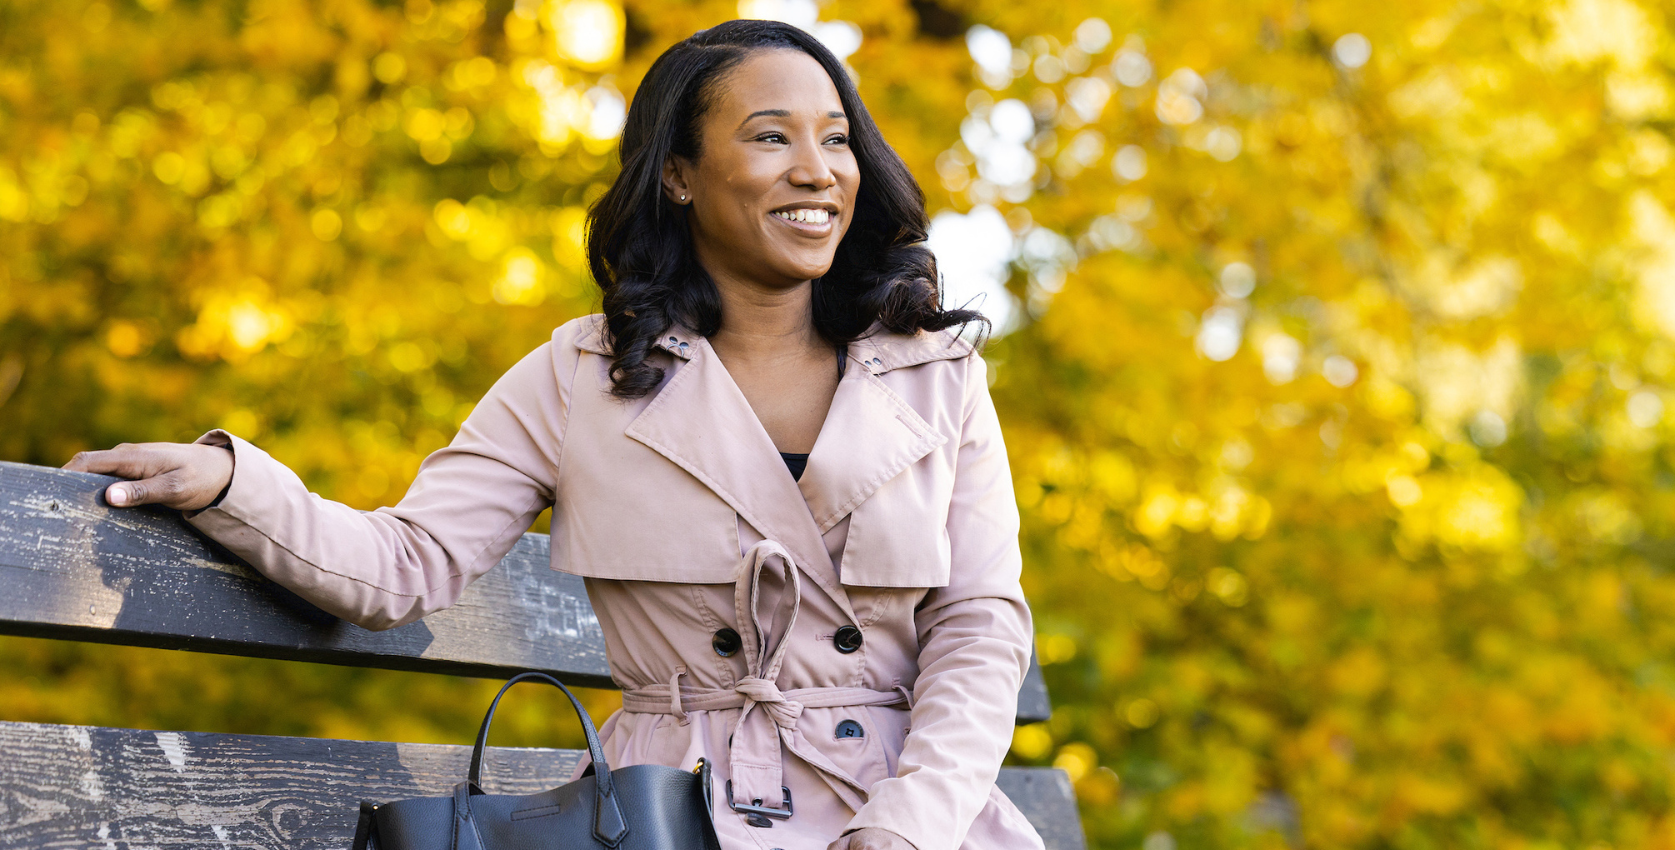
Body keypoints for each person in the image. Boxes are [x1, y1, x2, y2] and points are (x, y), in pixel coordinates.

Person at [63, 19, 1040, 850]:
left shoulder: (933, 371)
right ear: (681, 177)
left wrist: (911, 819)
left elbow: (979, 624)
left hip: (911, 807)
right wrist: (232, 484)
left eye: (836, 140)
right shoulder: (585, 373)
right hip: (670, 811)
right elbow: (405, 562)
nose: (817, 170)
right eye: (771, 137)